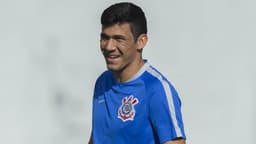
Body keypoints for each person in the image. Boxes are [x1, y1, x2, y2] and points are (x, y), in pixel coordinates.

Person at [89, 2, 186, 144]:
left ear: (141, 41)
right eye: (105, 38)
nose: (109, 46)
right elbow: (98, 136)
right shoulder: (102, 82)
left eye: (119, 39)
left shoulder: (156, 90)